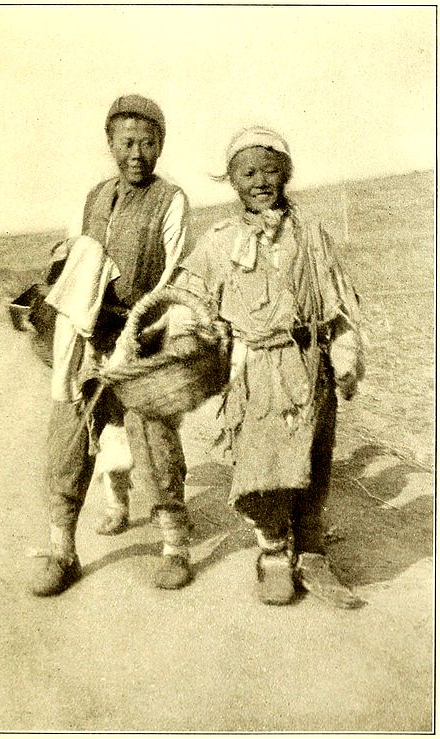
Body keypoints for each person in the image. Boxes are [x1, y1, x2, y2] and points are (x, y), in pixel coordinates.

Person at [169, 126, 366, 608]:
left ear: (286, 174)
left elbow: (340, 303)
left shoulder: (312, 234)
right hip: (255, 371)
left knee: (314, 462)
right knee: (263, 467)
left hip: (310, 366)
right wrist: (187, 338)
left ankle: (313, 551)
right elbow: (189, 299)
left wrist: (345, 356)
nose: (261, 181)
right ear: (232, 180)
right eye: (248, 172)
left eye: (271, 170)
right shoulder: (219, 241)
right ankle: (274, 552)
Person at [30, 94, 193, 596]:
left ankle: (175, 547)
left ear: (160, 146)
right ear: (109, 143)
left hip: (142, 337)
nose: (137, 154)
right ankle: (62, 552)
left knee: (152, 436)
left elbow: (174, 274)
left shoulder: (171, 200)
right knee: (69, 436)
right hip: (89, 337)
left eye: (148, 143)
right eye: (126, 143)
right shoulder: (93, 198)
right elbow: (74, 261)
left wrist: (140, 330)